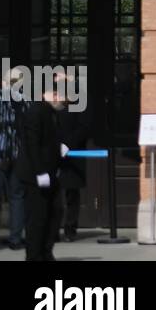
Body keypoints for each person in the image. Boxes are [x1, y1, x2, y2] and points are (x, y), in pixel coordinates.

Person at [14, 83, 68, 262]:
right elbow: (32, 144)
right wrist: (40, 172)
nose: (64, 101)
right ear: (52, 94)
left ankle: (46, 251)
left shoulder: (51, 113)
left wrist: (58, 148)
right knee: (38, 217)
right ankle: (34, 255)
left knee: (54, 213)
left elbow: (49, 139)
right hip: (35, 175)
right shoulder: (35, 111)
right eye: (62, 97)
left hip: (50, 172)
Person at [0, 69, 26, 252]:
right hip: (17, 155)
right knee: (17, 197)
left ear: (3, 82)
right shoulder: (24, 102)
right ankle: (15, 239)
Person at [56, 78, 89, 242]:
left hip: (73, 154)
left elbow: (83, 128)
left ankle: (70, 229)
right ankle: (53, 230)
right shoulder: (55, 106)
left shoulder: (79, 106)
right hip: (54, 155)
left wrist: (68, 144)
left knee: (72, 195)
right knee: (53, 196)